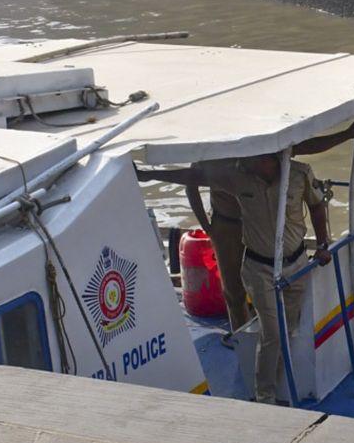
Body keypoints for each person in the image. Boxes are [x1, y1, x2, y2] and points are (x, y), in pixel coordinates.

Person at [137, 152, 332, 404]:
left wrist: (324, 243)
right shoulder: (238, 178)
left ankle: (276, 384)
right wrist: (147, 174)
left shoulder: (300, 174)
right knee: (272, 332)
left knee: (288, 329)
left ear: (269, 158)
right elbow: (193, 177)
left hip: (295, 264)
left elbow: (317, 205)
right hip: (258, 268)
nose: (244, 162)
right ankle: (265, 398)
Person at [184, 121, 354, 335]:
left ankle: (284, 336)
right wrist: (208, 227)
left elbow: (302, 147)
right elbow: (190, 182)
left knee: (283, 284)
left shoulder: (259, 142)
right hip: (229, 226)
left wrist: (346, 134)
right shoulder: (212, 150)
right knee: (234, 292)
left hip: (266, 223)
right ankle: (242, 339)